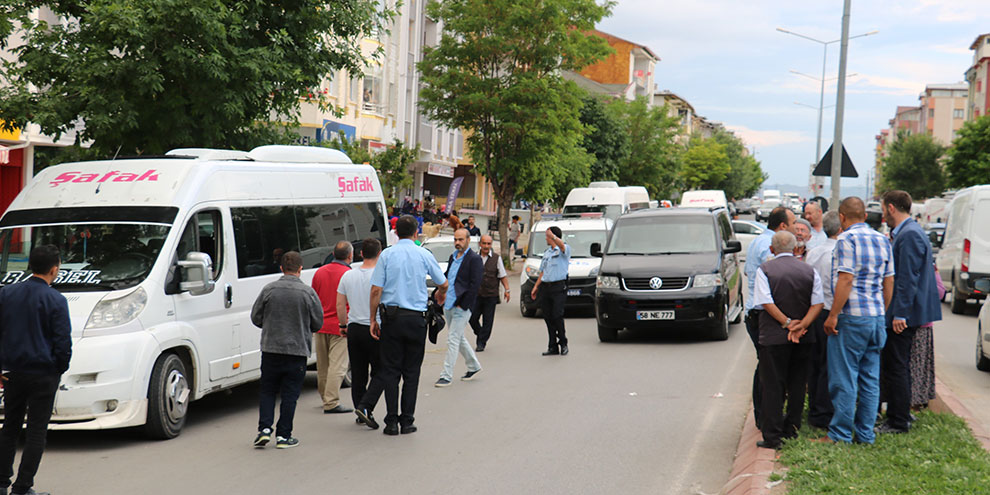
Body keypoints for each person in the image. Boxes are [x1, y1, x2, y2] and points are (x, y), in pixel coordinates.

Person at [366, 215, 448, 435]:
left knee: (391, 371)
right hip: (416, 320)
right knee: (412, 372)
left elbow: (376, 290)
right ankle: (407, 421)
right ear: (415, 233)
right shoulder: (423, 254)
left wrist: (373, 319)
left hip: (391, 319)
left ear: (397, 232)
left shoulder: (387, 255)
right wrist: (440, 295)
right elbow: (443, 282)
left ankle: (391, 422)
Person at [822, 197, 894, 445]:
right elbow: (889, 281)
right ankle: (865, 433)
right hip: (875, 317)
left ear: (841, 217)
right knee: (870, 378)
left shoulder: (846, 239)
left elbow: (845, 279)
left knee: (844, 377)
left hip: (851, 317)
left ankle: (841, 434)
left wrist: (833, 315)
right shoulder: (883, 239)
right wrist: (880, 311)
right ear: (864, 215)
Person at [0, 245, 71, 495]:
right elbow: (63, 342)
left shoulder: (7, 293)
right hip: (43, 374)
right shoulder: (56, 299)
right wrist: (60, 368)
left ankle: (0, 483)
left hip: (12, 372)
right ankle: (22, 487)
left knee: (10, 426)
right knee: (36, 431)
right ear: (54, 269)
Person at [877, 190, 941, 434]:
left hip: (905, 313)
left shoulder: (910, 234)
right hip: (906, 311)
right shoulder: (909, 232)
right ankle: (899, 413)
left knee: (897, 365)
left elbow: (907, 279)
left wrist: (900, 314)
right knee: (898, 364)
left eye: (884, 208)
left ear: (891, 207)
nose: (883, 214)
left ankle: (898, 420)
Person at [753, 231, 824, 449]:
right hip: (803, 337)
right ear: (796, 249)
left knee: (773, 385)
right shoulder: (810, 271)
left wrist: (787, 323)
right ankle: (792, 428)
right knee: (796, 382)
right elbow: (818, 303)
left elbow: (766, 302)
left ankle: (772, 435)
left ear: (772, 250)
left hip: (774, 338)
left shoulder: (764, 270)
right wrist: (802, 324)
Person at [251, 251, 323, 449]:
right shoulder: (308, 293)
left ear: (281, 268)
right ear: (301, 269)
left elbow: (256, 317)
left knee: (267, 391)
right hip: (297, 351)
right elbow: (318, 323)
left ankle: (264, 429)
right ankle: (284, 436)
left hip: (271, 349)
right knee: (290, 395)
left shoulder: (269, 290)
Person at [743, 206, 794, 429]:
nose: (794, 228)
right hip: (762, 313)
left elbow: (748, 272)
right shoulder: (769, 245)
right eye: (792, 224)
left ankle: (763, 415)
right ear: (782, 226)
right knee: (768, 368)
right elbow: (776, 278)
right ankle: (765, 416)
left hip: (754, 311)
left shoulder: (759, 240)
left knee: (765, 365)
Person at [338, 238, 384, 429]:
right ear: (380, 254)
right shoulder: (381, 275)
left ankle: (360, 409)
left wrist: (343, 325)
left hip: (354, 326)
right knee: (381, 370)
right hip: (375, 327)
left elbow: (340, 304)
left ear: (361, 254)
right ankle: (366, 406)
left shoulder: (348, 275)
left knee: (358, 373)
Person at [804, 210, 841, 429]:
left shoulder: (814, 252)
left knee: (815, 363)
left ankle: (816, 409)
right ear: (841, 228)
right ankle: (823, 413)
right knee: (829, 364)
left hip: (815, 311)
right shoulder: (839, 253)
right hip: (830, 311)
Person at [435, 228, 483, 387]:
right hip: (449, 303)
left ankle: (446, 375)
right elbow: (448, 276)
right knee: (458, 337)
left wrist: (464, 305)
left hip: (462, 306)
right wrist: (438, 292)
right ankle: (473, 365)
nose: (457, 243)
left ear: (468, 240)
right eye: (455, 239)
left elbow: (475, 285)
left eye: (461, 240)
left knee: (453, 339)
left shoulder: (474, 259)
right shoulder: (453, 257)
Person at [311, 241, 354, 414]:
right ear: (350, 256)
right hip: (340, 325)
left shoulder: (319, 272)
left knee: (323, 365)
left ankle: (324, 397)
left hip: (321, 324)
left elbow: (314, 297)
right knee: (338, 365)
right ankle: (331, 402)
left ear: (333, 253)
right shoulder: (348, 274)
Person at [530, 226, 570, 356]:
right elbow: (543, 272)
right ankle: (552, 346)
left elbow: (562, 245)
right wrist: (536, 287)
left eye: (547, 236)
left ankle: (563, 343)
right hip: (545, 287)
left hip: (558, 287)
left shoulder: (564, 249)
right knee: (547, 316)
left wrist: (553, 236)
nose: (546, 238)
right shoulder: (547, 253)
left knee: (557, 315)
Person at [470, 235, 510, 352]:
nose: (486, 246)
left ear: (491, 245)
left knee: (488, 320)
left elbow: (502, 275)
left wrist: (507, 290)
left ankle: (481, 342)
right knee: (472, 318)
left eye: (488, 244)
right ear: (480, 244)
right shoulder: (474, 257)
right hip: (476, 295)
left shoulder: (496, 258)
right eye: (484, 243)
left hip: (491, 295)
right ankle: (480, 333)